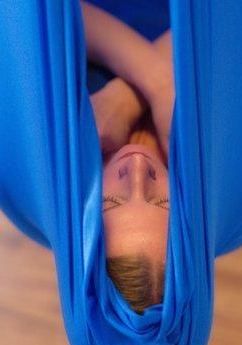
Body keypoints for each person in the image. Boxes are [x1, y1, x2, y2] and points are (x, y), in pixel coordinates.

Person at [81, 2, 174, 314]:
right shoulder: (205, 158)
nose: (136, 168)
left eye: (111, 202)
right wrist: (146, 92)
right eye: (163, 203)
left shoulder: (68, 146)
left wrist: (118, 99)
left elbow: (51, 15)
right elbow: (216, 25)